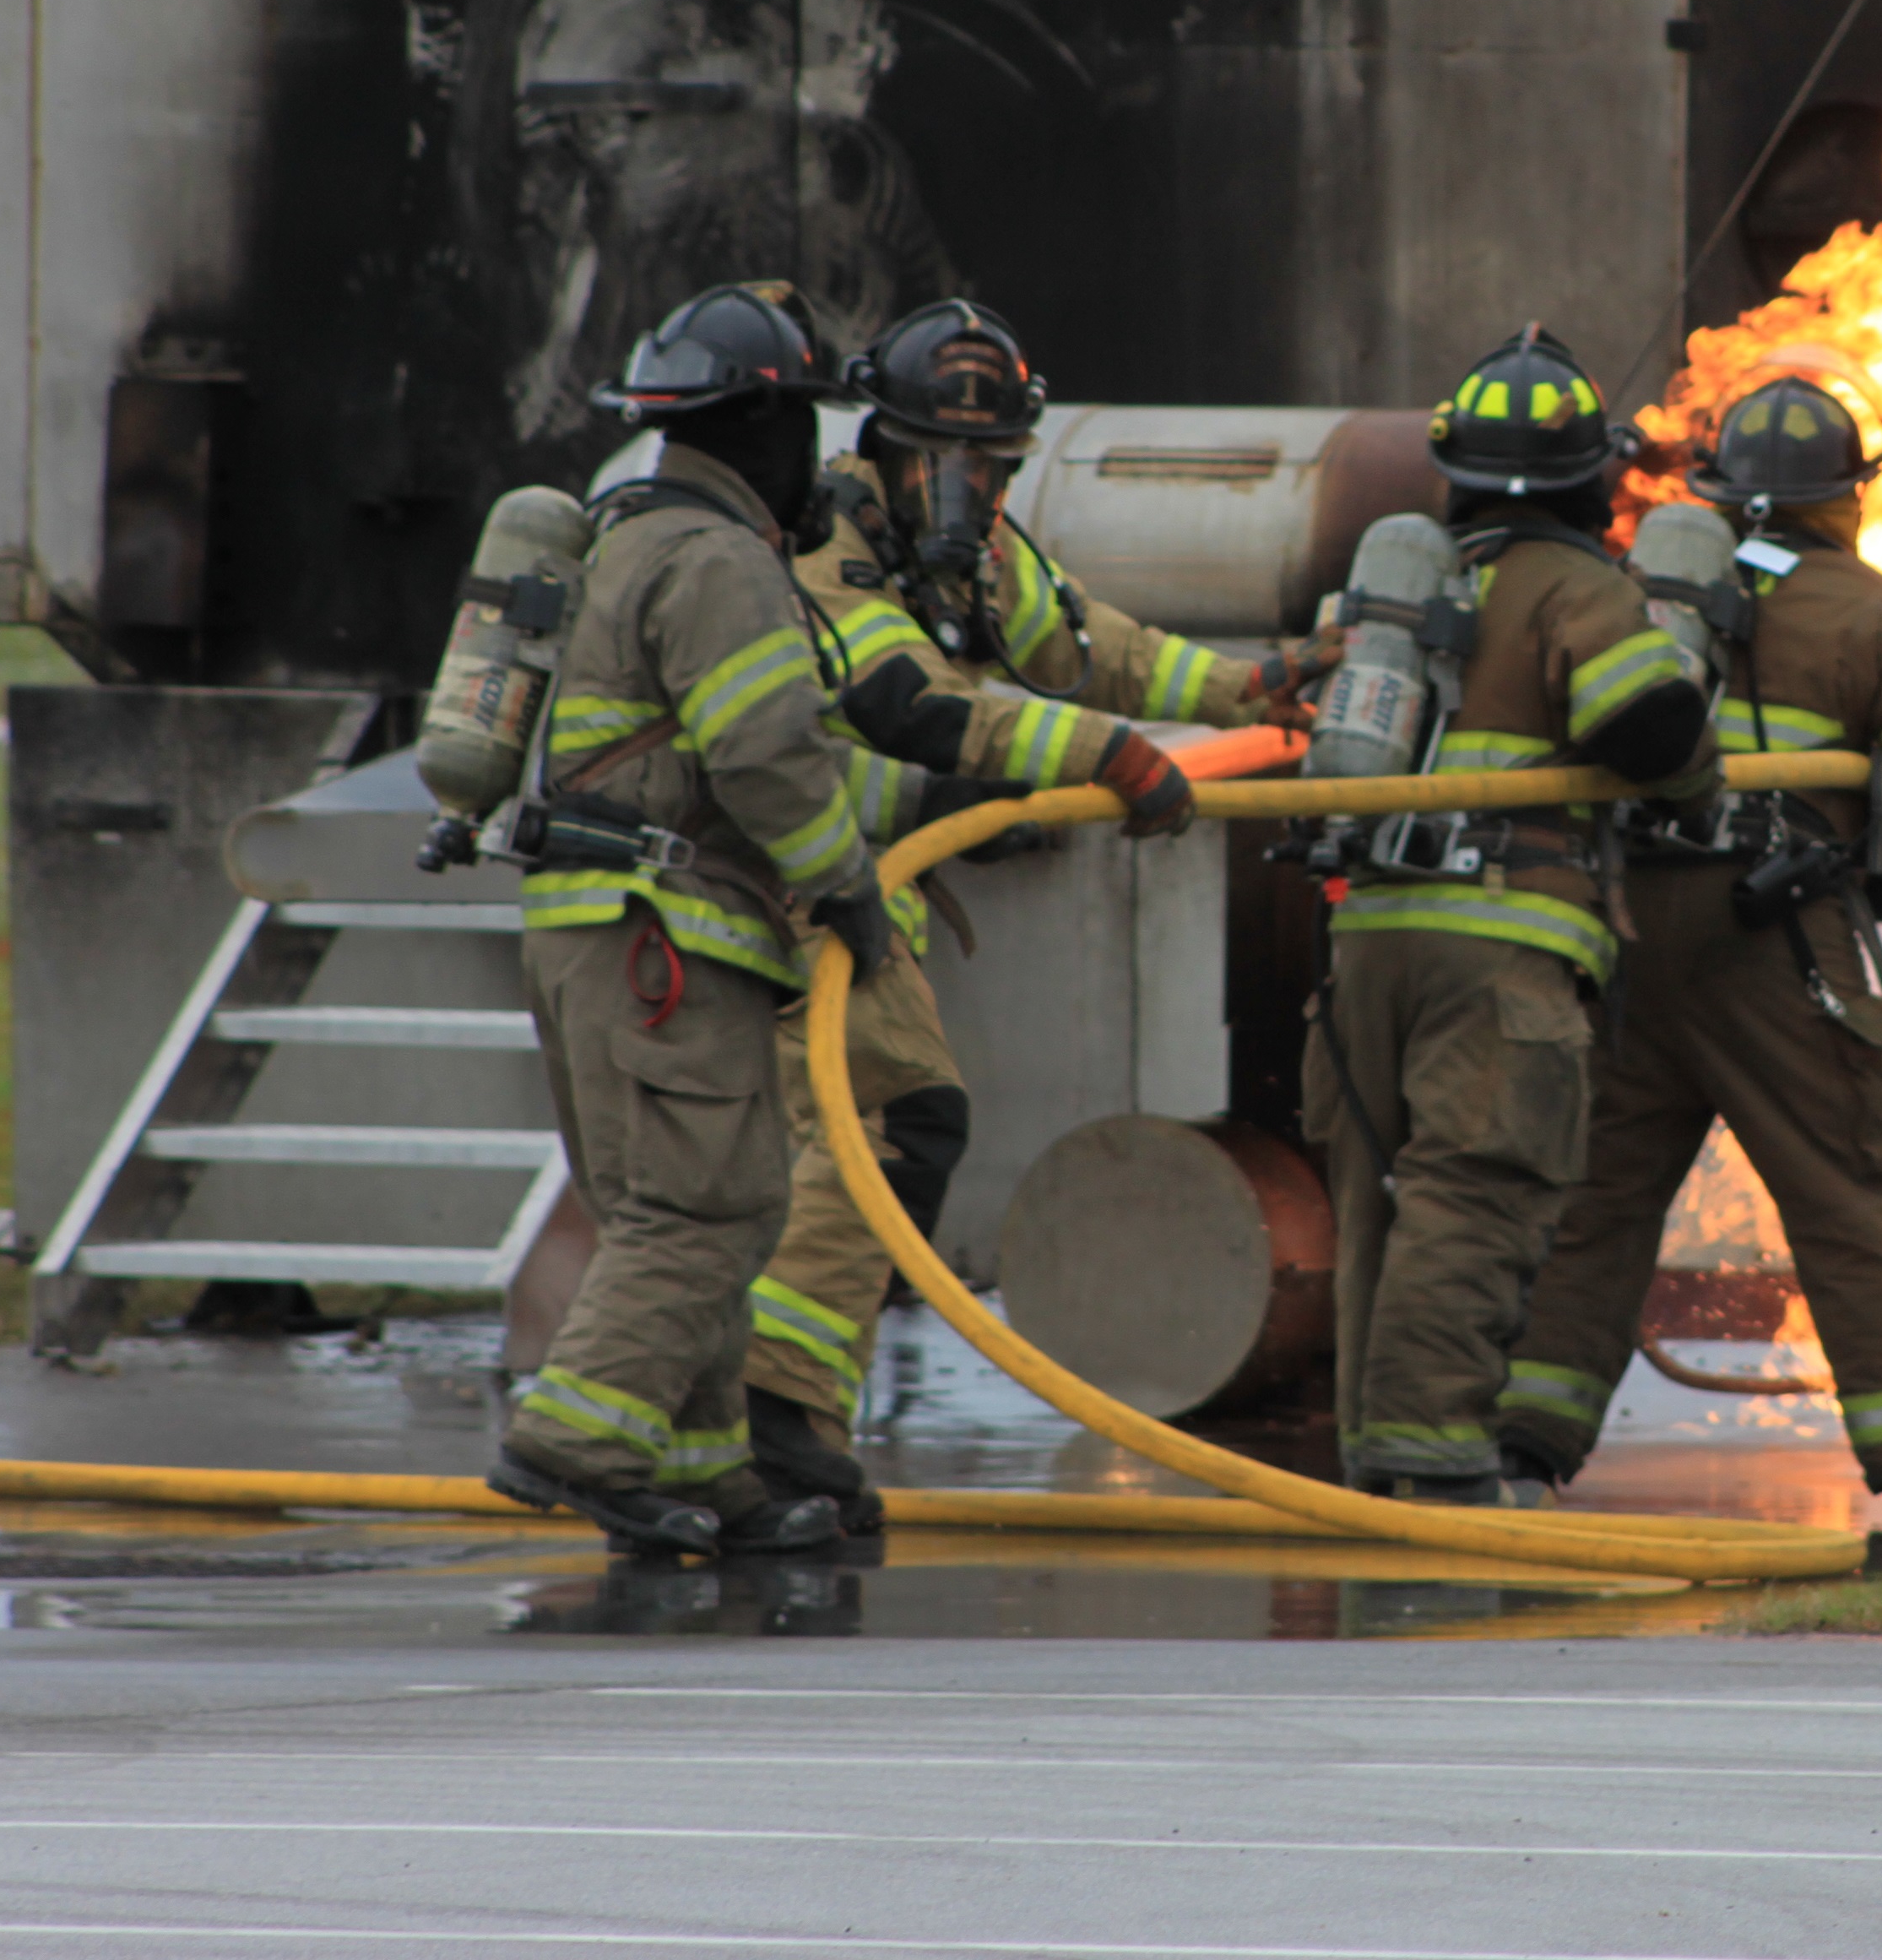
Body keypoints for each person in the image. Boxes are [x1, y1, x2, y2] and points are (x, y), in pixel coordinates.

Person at [743, 297, 1323, 1522]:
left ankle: (775, 1427)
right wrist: (1111, 757)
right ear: (880, 448)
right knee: (888, 1130)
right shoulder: (826, 545)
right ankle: (773, 1423)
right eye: (936, 460)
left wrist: (1245, 688)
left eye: (988, 465)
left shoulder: (980, 550)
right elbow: (913, 704)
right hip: (763, 880)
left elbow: (1083, 644)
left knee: (864, 1141)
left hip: (857, 893)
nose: (963, 489)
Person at [1495, 368, 1882, 1521]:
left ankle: (1522, 1436)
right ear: (1846, 490)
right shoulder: (1868, 610)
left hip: (1622, 933)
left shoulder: (1635, 590)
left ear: (1718, 485)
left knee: (1591, 1194)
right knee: (1857, 1182)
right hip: (1776, 940)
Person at [487, 280, 888, 1561]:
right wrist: (847, 888)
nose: (817, 460)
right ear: (762, 433)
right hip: (666, 934)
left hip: (589, 929)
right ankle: (578, 1441)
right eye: (807, 429)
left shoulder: (622, 538)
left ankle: (713, 1475)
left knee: (697, 1204)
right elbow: (766, 753)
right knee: (703, 1213)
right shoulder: (718, 562)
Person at [1308, 326, 1721, 1501]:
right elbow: (1647, 730)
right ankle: (1437, 1472)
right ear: (1596, 478)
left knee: (1375, 1212)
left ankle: (1371, 1465)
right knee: (1474, 1197)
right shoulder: (1578, 586)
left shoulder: (1418, 583)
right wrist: (1696, 762)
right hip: (1504, 945)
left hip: (1369, 935)